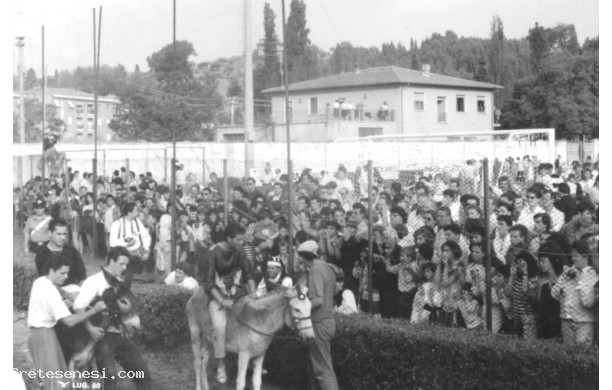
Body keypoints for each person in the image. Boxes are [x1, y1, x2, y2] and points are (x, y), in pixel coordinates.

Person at [73, 247, 153, 390]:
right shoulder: (94, 281)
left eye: (126, 265)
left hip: (118, 334)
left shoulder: (120, 283)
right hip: (101, 337)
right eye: (121, 264)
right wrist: (90, 329)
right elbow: (78, 307)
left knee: (143, 374)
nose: (124, 268)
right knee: (110, 378)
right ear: (111, 261)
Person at [28, 256, 106, 390]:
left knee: (59, 380)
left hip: (38, 335)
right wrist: (94, 310)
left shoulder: (40, 281)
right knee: (55, 384)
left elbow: (55, 294)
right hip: (44, 336)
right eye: (62, 273)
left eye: (67, 273)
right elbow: (69, 321)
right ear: (52, 270)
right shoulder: (50, 292)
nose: (66, 276)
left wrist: (66, 297)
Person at [203, 223, 256, 384]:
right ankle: (221, 365)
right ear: (229, 238)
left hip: (239, 295)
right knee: (219, 327)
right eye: (239, 239)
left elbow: (249, 276)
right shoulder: (213, 253)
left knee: (254, 319)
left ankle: (251, 361)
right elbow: (208, 283)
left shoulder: (240, 251)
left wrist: (253, 294)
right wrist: (222, 300)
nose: (242, 242)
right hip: (218, 297)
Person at [297, 240, 339, 390]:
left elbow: (318, 300)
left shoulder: (315, 270)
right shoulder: (327, 267)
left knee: (323, 369)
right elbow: (334, 291)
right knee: (315, 368)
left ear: (303, 257)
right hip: (328, 321)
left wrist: (300, 307)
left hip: (319, 322)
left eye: (299, 257)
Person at [35, 218, 86, 292]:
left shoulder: (72, 252)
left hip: (73, 290)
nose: (62, 237)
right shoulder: (42, 254)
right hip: (52, 292)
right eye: (58, 234)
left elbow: (82, 277)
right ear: (50, 233)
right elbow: (46, 282)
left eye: (64, 234)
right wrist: (66, 296)